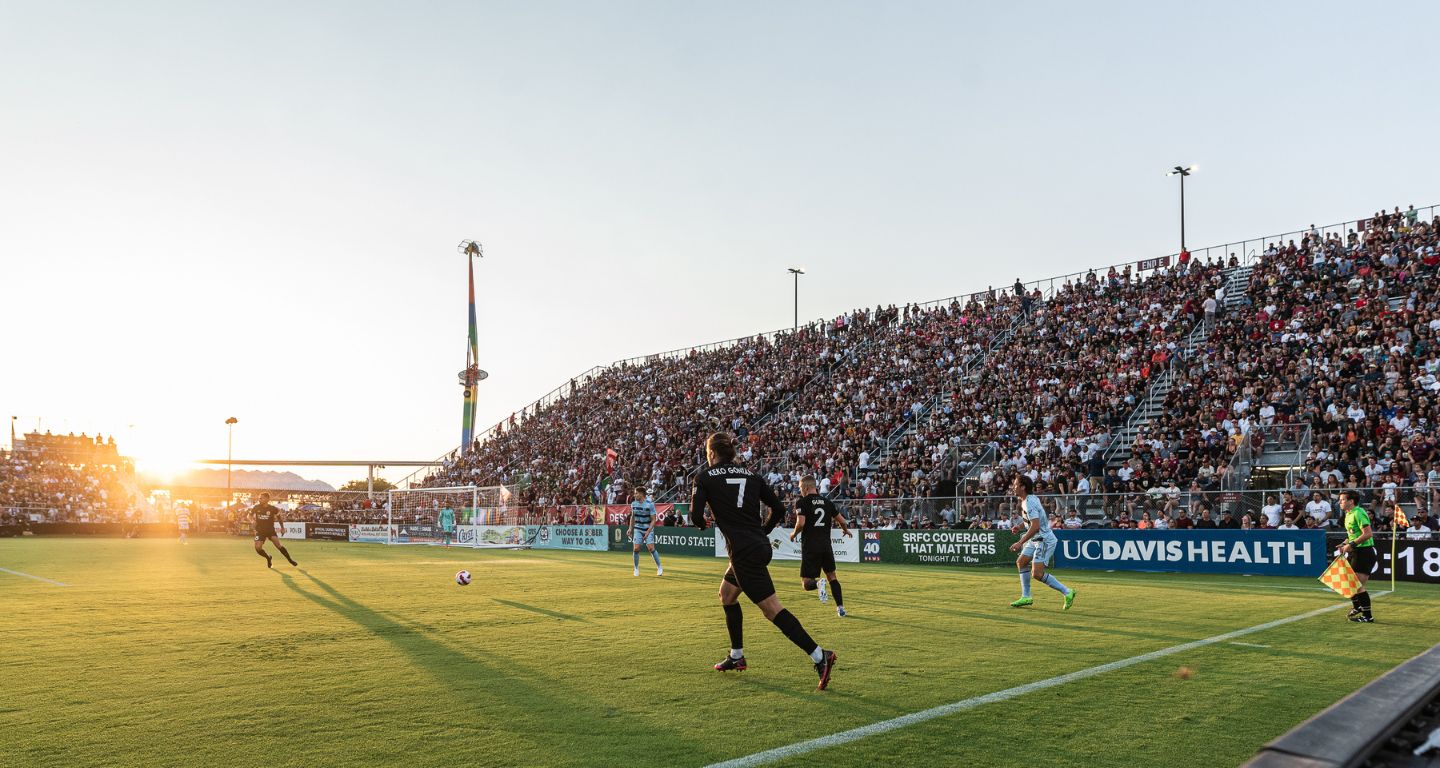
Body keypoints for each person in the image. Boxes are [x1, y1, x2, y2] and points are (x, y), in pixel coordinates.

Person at [692, 432, 836, 690]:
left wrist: (702, 523)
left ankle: (819, 655)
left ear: (711, 454)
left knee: (772, 609)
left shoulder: (703, 478)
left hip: (743, 553)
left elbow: (695, 517)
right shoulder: (752, 475)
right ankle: (737, 656)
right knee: (727, 595)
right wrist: (763, 531)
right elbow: (779, 509)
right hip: (758, 545)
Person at [788, 476, 852, 617]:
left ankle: (818, 584)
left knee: (806, 583)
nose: (800, 490)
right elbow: (842, 520)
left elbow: (801, 523)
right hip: (826, 546)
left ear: (805, 487)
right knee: (832, 576)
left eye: (800, 487)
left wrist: (793, 534)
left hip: (810, 546)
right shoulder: (827, 502)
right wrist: (845, 530)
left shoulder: (802, 502)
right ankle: (840, 608)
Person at [1008, 475, 1076, 610]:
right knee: (1021, 562)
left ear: (1023, 487)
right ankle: (1026, 596)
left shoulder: (1029, 502)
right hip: (1036, 539)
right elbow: (1032, 521)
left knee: (1037, 574)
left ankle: (1067, 592)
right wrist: (1020, 526)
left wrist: (1020, 542)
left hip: (1044, 540)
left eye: (1015, 484)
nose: (1013, 487)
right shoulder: (1027, 500)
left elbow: (1035, 526)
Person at [1336, 490, 1376, 623]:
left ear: (1351, 501)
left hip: (1364, 552)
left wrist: (1351, 545)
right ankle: (1358, 606)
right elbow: (1353, 534)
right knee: (1347, 582)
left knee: (1357, 585)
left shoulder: (1359, 512)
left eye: (1342, 500)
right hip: (1355, 552)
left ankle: (1368, 616)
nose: (1339, 502)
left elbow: (1368, 534)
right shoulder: (1348, 514)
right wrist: (1344, 543)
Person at [250, 493, 297, 569]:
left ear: (267, 499)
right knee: (258, 548)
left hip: (270, 530)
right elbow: (249, 515)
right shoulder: (256, 507)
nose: (259, 500)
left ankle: (290, 560)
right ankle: (268, 557)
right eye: (259, 498)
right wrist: (252, 520)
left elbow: (279, 518)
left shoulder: (273, 509)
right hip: (260, 531)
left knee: (278, 545)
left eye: (261, 498)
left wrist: (282, 528)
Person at [629, 487, 663, 576]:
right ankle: (636, 568)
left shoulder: (650, 504)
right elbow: (632, 517)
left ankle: (659, 567)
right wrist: (630, 528)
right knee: (636, 549)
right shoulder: (633, 504)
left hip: (648, 528)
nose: (634, 495)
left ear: (641, 494)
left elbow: (654, 520)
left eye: (636, 493)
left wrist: (648, 532)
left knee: (651, 548)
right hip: (638, 528)